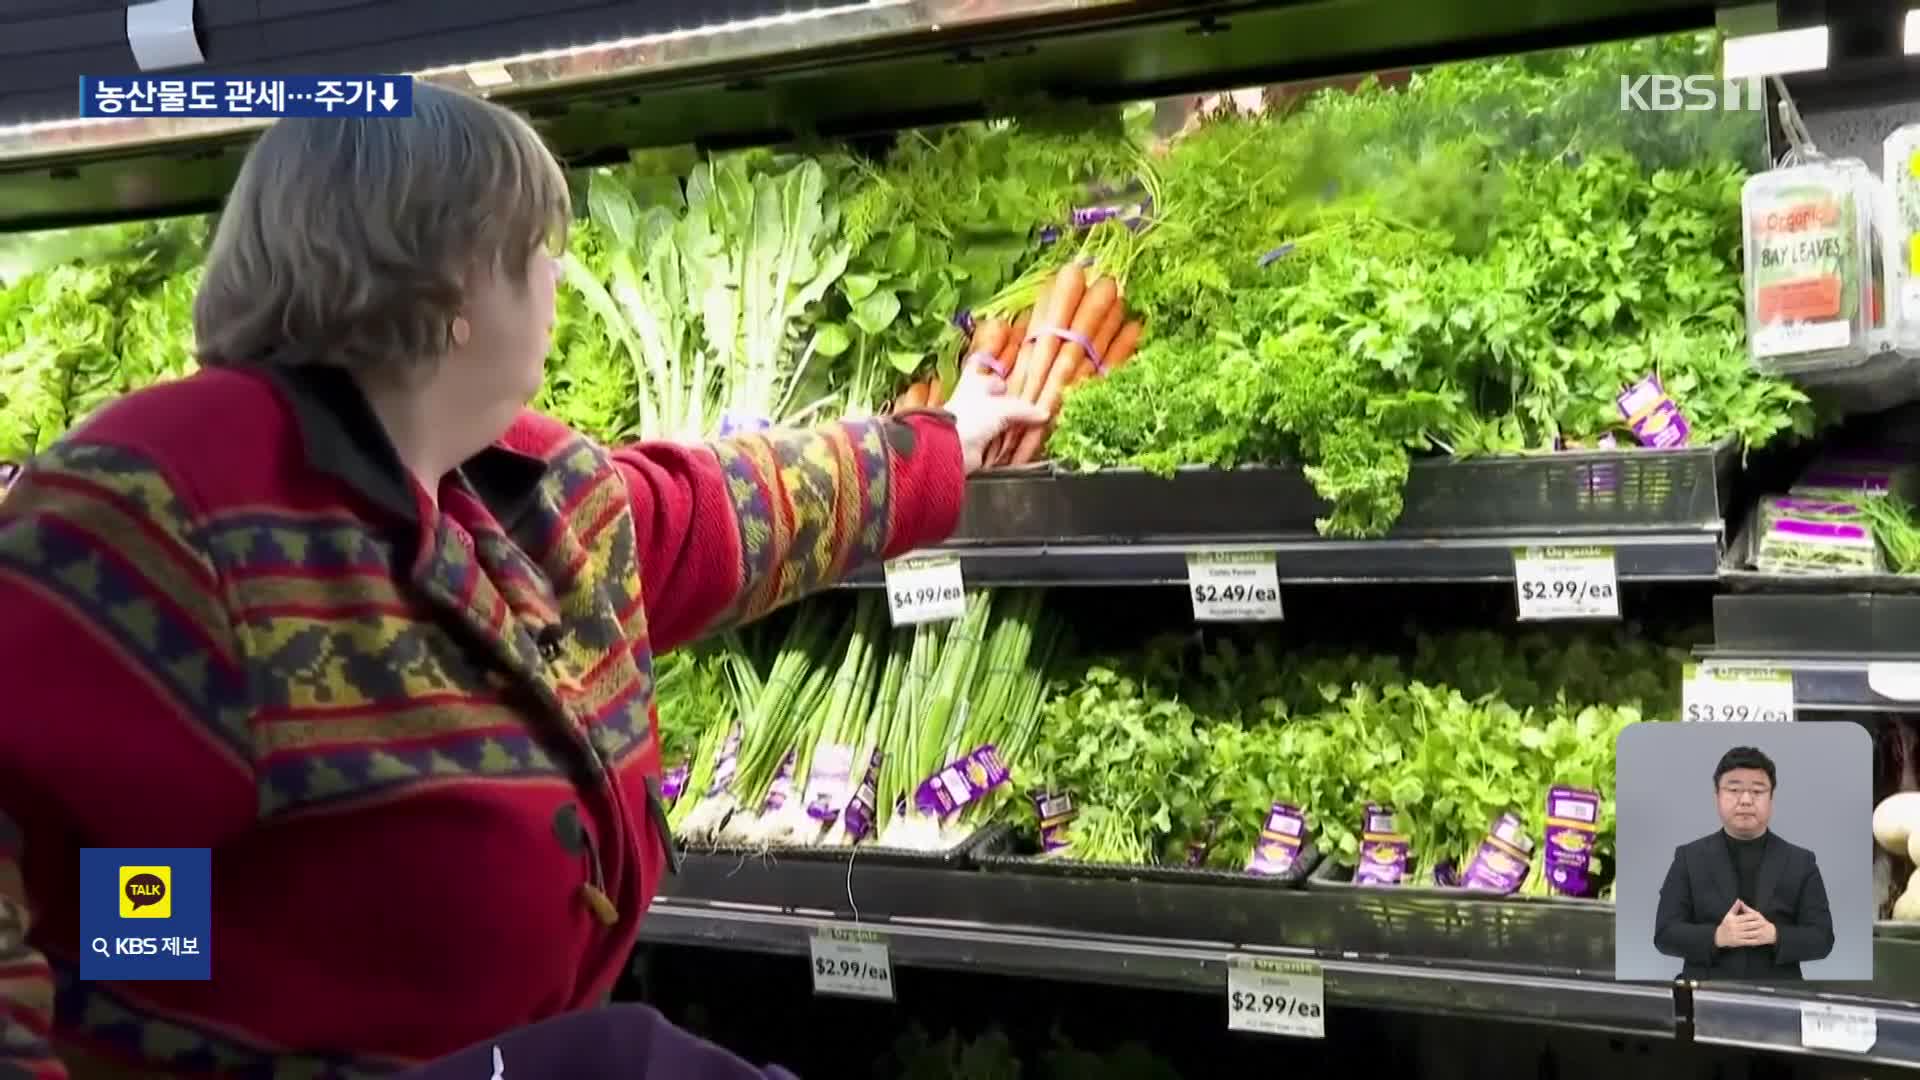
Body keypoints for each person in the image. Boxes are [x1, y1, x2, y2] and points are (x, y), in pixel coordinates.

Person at [0, 83, 1044, 1078]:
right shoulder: (162, 507)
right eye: (537, 252)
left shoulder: (509, 482)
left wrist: (942, 442)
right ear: (451, 285)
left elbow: (722, 511)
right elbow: (54, 860)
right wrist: (194, 968)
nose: (557, 279)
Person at [1653, 746, 1835, 981]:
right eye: (1734, 790)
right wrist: (1718, 936)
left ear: (1771, 798)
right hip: (1706, 995)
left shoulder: (1801, 862)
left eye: (1758, 791)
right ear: (1717, 796)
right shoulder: (1688, 858)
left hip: (1779, 997)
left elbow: (1823, 939)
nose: (1746, 800)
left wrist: (1775, 934)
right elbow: (1665, 934)